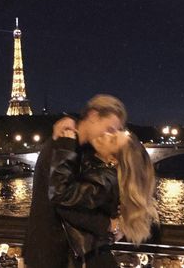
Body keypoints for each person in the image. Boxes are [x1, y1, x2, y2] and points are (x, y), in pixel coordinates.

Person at [23, 94, 127, 268]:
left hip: (64, 251)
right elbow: (62, 202)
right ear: (93, 116)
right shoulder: (61, 146)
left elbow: (87, 197)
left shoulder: (81, 148)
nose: (110, 136)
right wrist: (109, 225)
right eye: (109, 128)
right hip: (54, 253)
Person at [49, 130, 159, 267]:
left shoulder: (105, 178)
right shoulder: (104, 172)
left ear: (113, 160)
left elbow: (60, 194)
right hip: (94, 257)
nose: (105, 133)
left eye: (112, 139)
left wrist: (66, 146)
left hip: (86, 260)